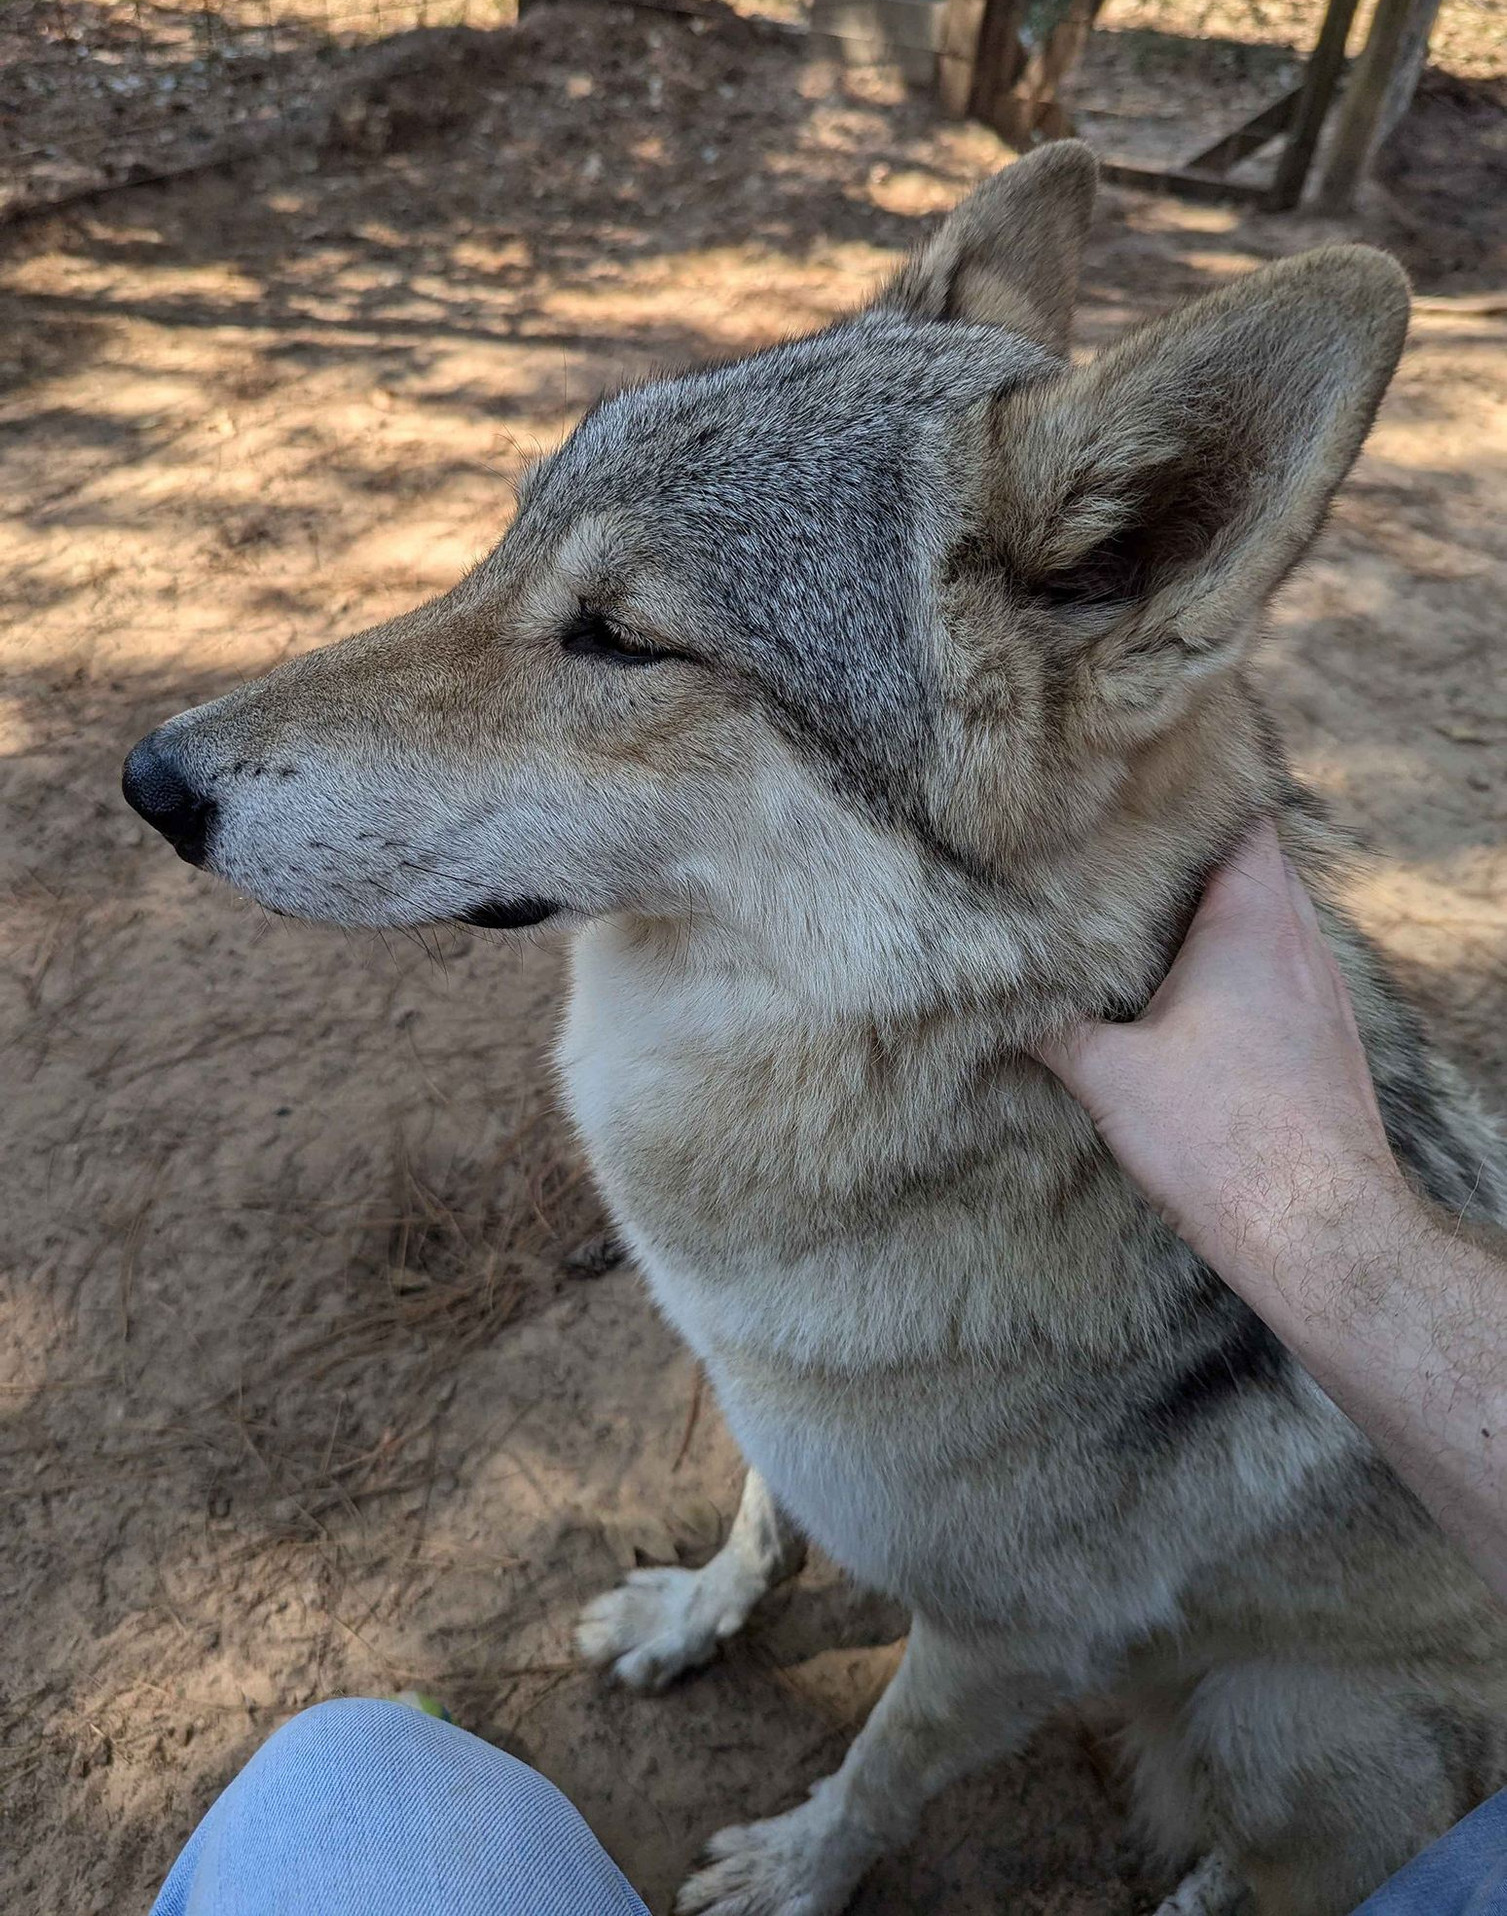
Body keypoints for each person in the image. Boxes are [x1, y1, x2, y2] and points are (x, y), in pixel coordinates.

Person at [151, 821, 1507, 1916]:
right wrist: (735, 1576)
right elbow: (802, 1387)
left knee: (338, 1786)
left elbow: (1008, 1630)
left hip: (1357, 1656)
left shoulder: (1055, 1268)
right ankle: (741, 1582)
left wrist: (834, 1840)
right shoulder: (754, 1040)